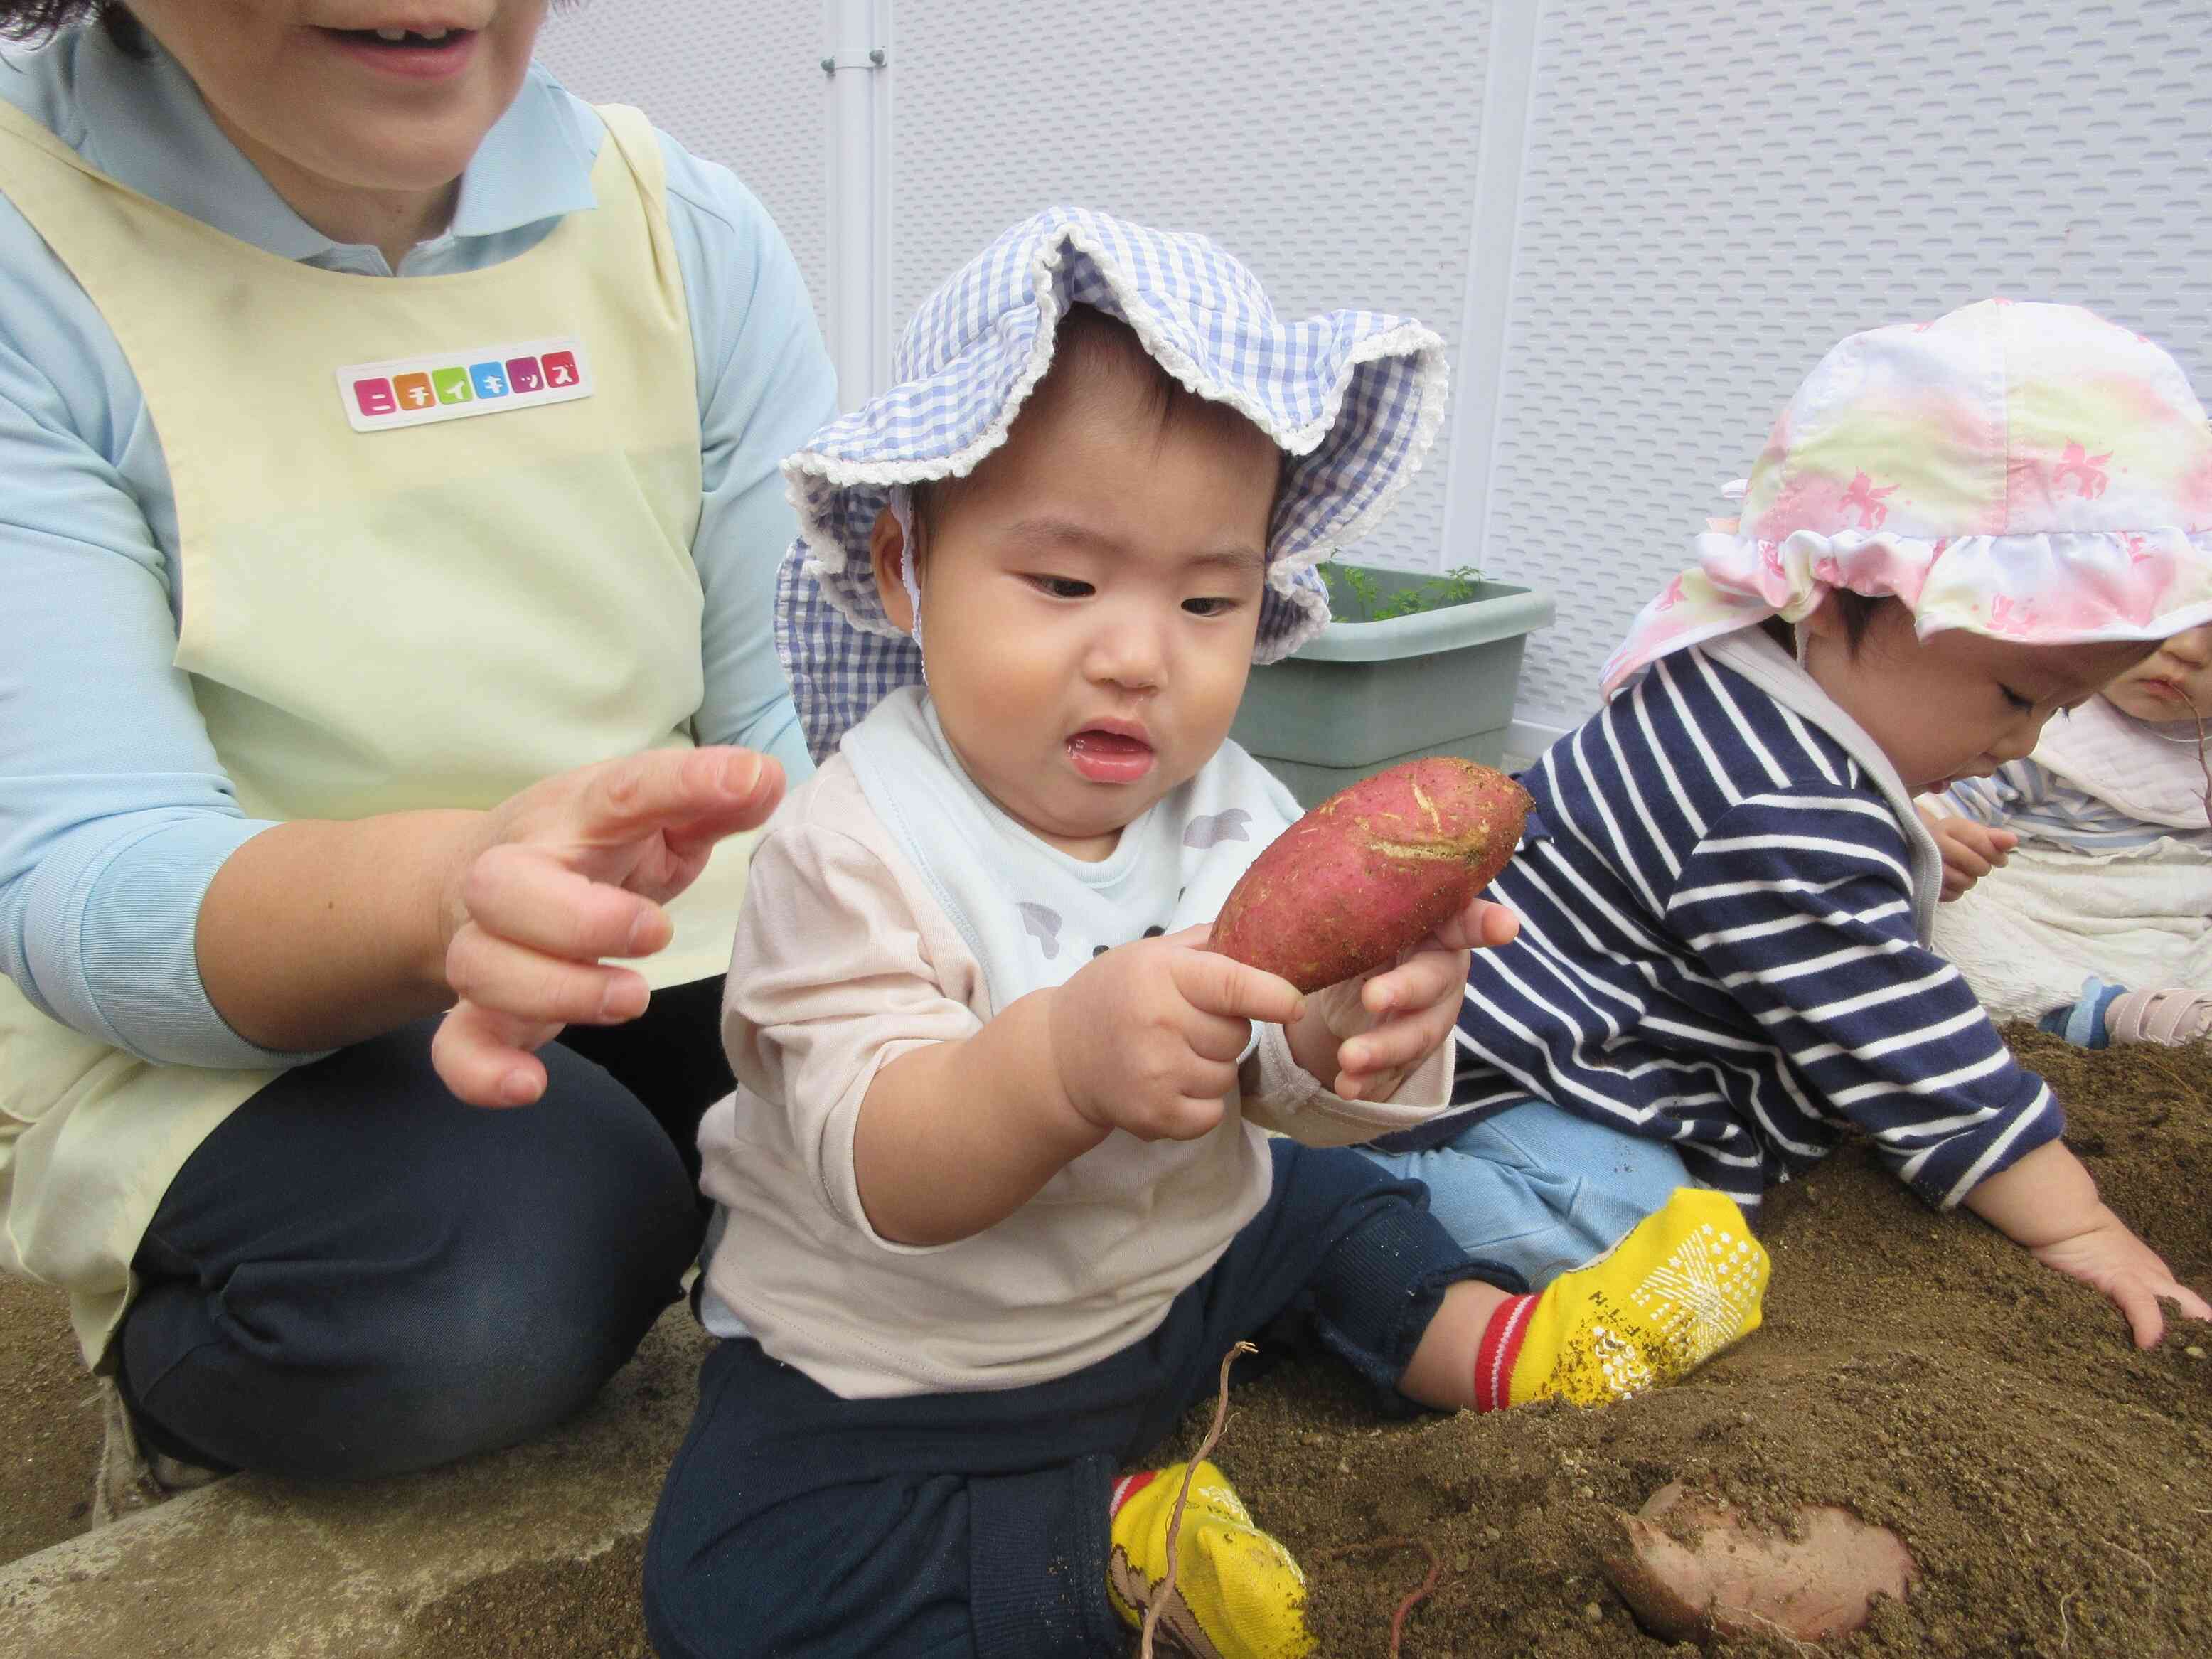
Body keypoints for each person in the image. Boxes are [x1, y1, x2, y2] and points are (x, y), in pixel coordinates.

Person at [642, 208, 1770, 1659]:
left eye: (1206, 598)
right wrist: (1059, 1062)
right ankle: (1113, 1545)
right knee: (728, 1586)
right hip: (911, 1363)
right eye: (1063, 584)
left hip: (1181, 1267)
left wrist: (1351, 1031)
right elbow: (884, 1164)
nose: (1137, 653)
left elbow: (1282, 1083)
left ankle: (1500, 1340)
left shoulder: (1229, 801)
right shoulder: (851, 844)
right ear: (903, 567)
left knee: (1316, 1196)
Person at [0, 1, 838, 1520]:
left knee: (962, 1106)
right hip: (241, 1002)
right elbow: (81, 870)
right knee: (491, 1278)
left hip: (654, 928)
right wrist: (447, 890)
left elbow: (802, 719)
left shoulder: (679, 228)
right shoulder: (32, 247)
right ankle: (182, 1380)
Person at [1360, 299, 2212, 1351]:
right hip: (1501, 1076)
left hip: (1519, 1022)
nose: (2020, 742)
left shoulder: (1735, 667)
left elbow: (1757, 868)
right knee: (1622, 1217)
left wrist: (1899, 837)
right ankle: (1335, 1211)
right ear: (1843, 595)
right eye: (2015, 696)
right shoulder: (1781, 809)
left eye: (2056, 712)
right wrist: (2076, 1223)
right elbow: (1910, 1048)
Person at [1918, 622, 2211, 1045]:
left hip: (2163, 933)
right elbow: (1934, 806)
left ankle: (2163, 1015)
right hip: (2031, 921)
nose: (2189, 651)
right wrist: (1941, 840)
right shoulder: (2042, 715)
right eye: (2170, 620)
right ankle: (2082, 1014)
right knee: (1932, 921)